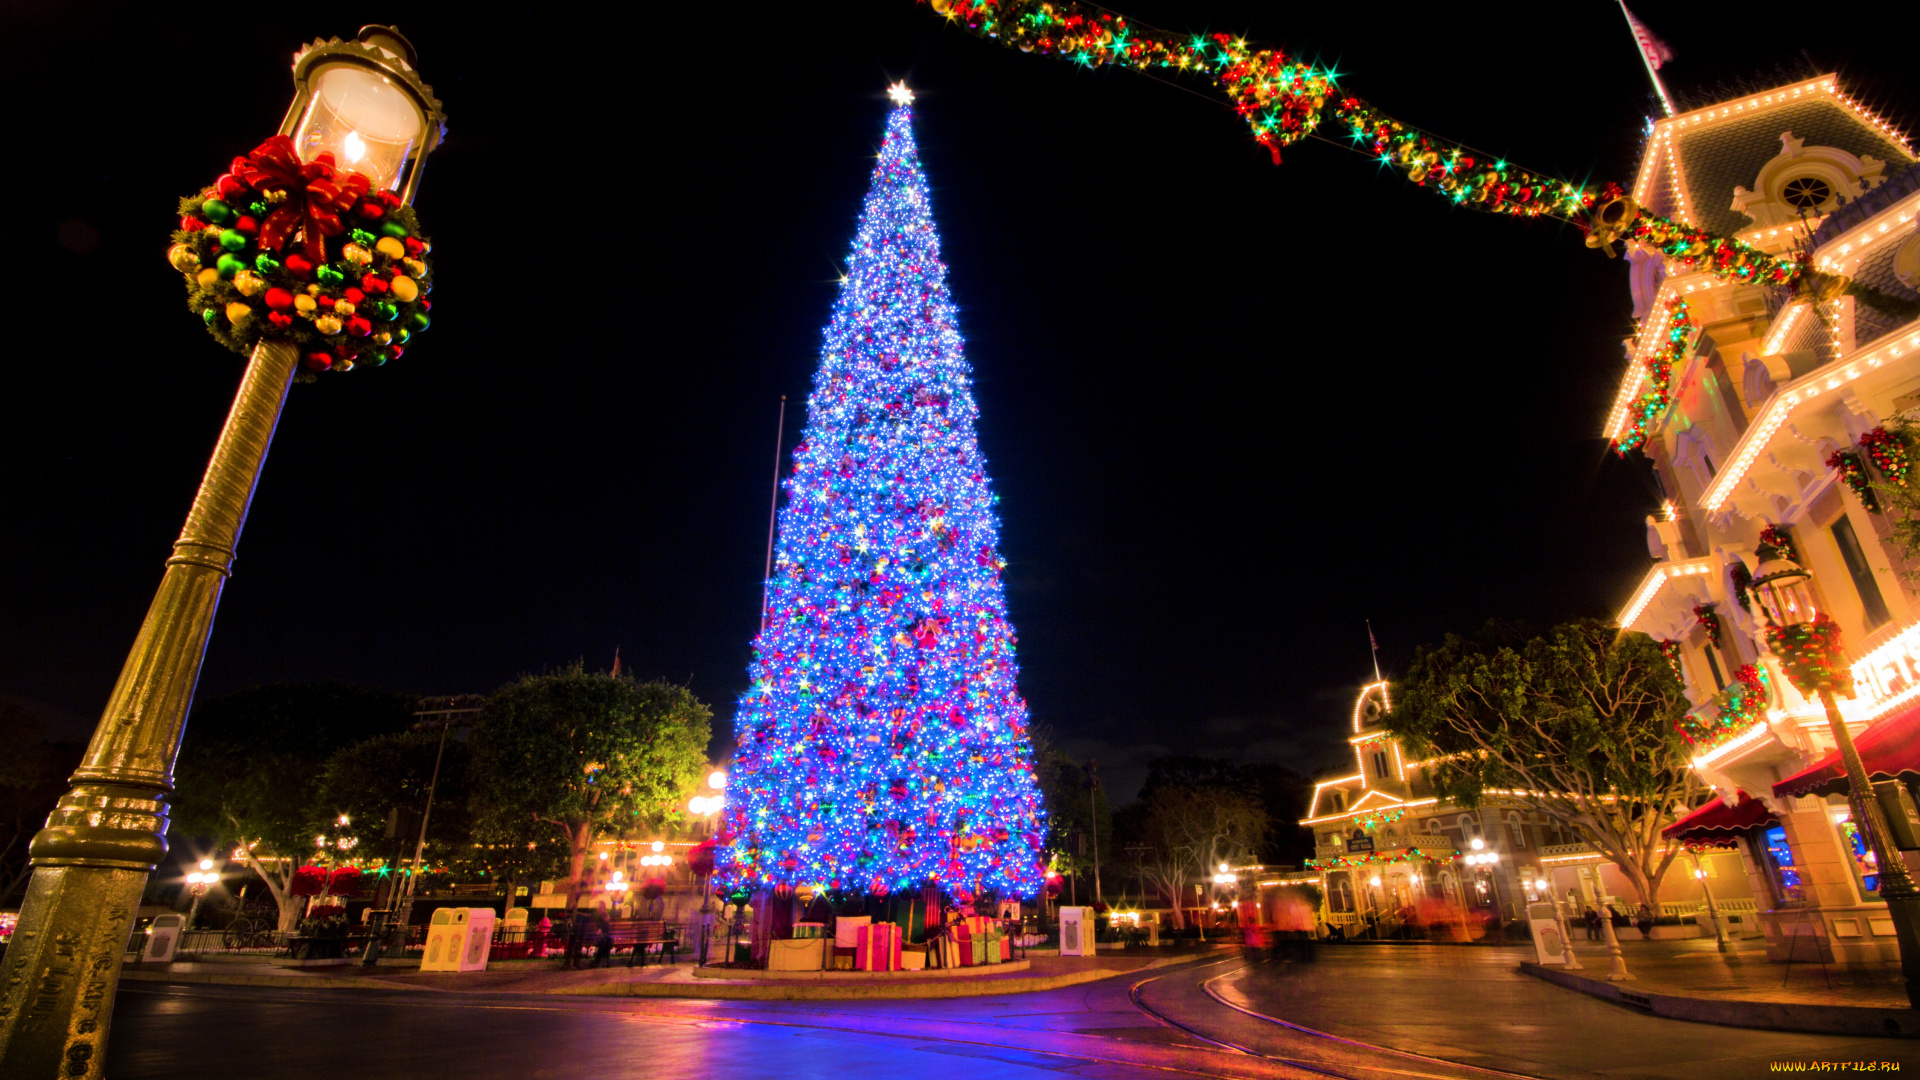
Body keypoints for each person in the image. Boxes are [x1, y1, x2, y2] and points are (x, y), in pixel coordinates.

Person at [591, 901, 614, 968]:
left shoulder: (605, 915)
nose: (602, 909)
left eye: (603, 907)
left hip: (604, 934)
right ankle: (598, 960)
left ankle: (606, 960)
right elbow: (594, 925)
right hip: (596, 935)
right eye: (600, 907)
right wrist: (598, 930)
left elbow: (607, 927)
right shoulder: (595, 915)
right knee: (603, 941)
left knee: (609, 940)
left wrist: (606, 917)